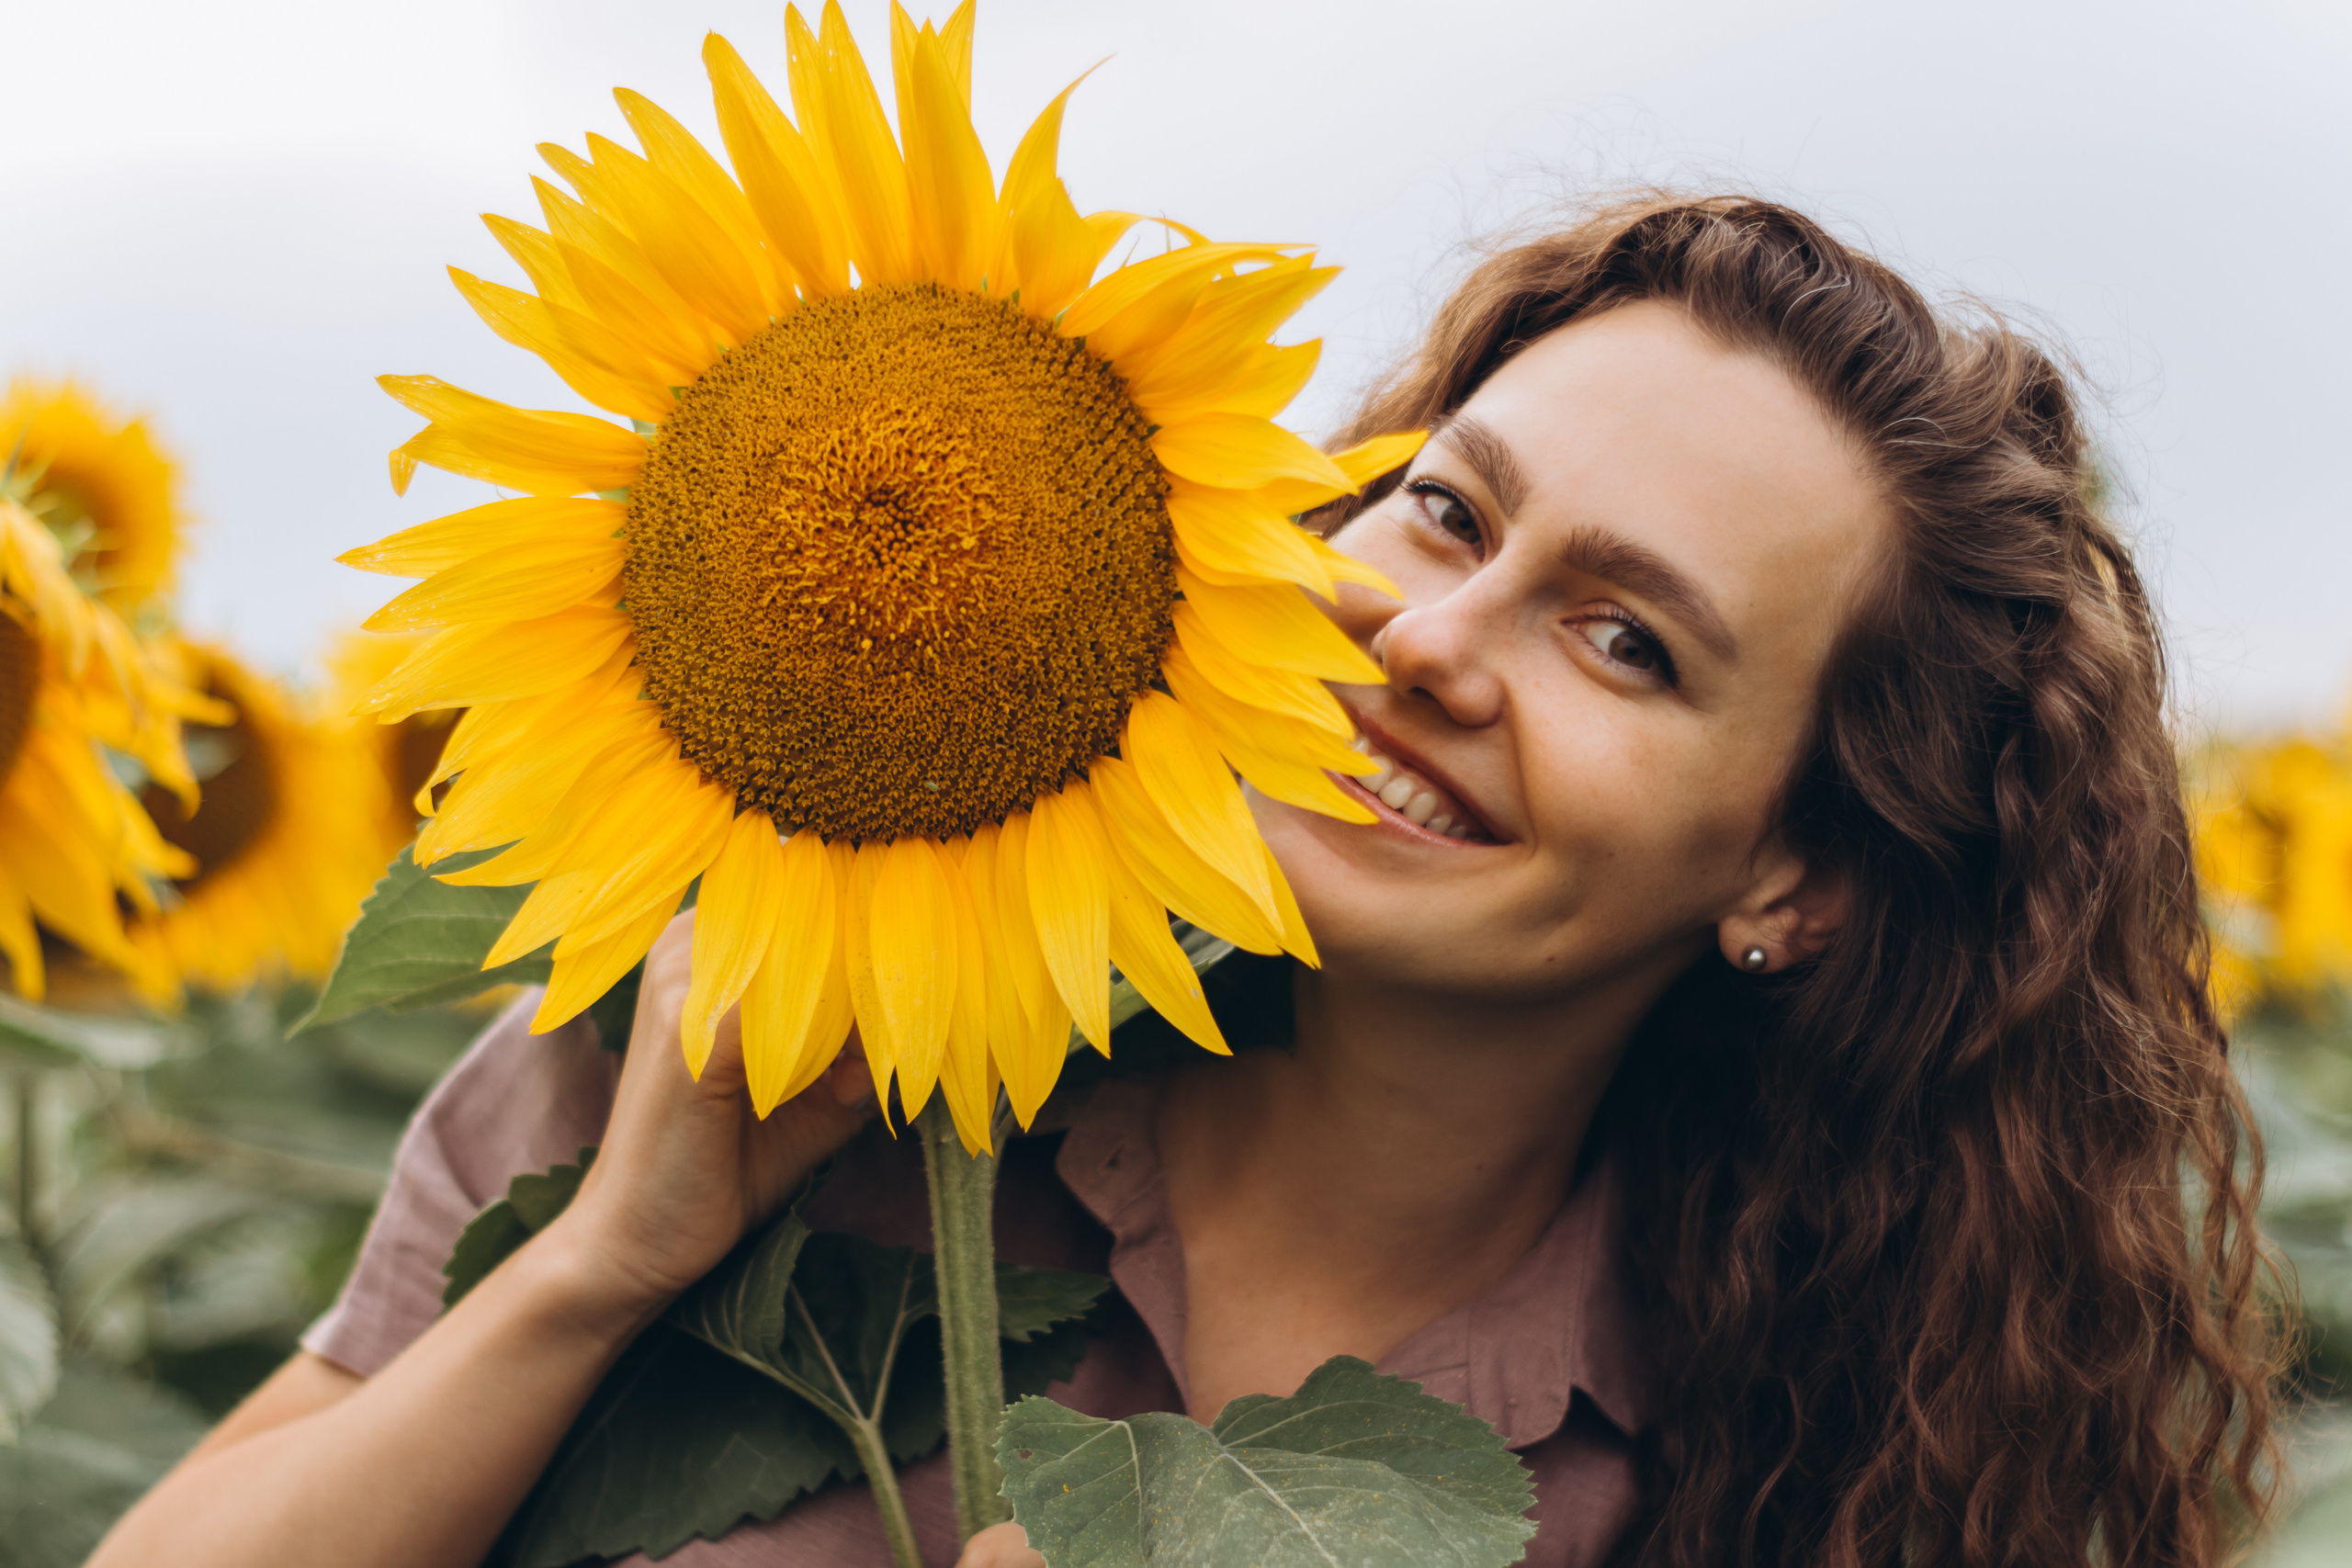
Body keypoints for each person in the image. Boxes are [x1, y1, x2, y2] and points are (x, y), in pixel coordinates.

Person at [91, 195, 2286, 1568]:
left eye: (1622, 639)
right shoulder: (790, 980)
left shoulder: (1760, 1453)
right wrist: (601, 1266)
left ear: (1788, 872)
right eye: (1446, 514)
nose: (1430, 641)